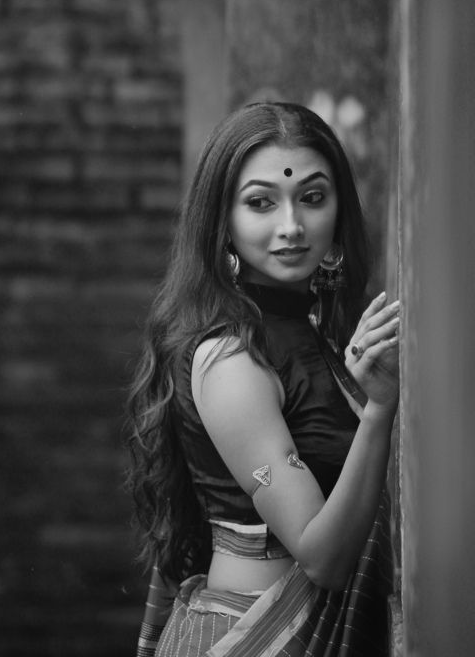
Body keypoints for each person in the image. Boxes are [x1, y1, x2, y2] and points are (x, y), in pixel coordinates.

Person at [126, 101, 399, 656]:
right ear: (221, 222)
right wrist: (377, 411)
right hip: (258, 636)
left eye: (312, 198)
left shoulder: (312, 329)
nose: (291, 226)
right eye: (260, 203)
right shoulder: (231, 359)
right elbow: (323, 558)